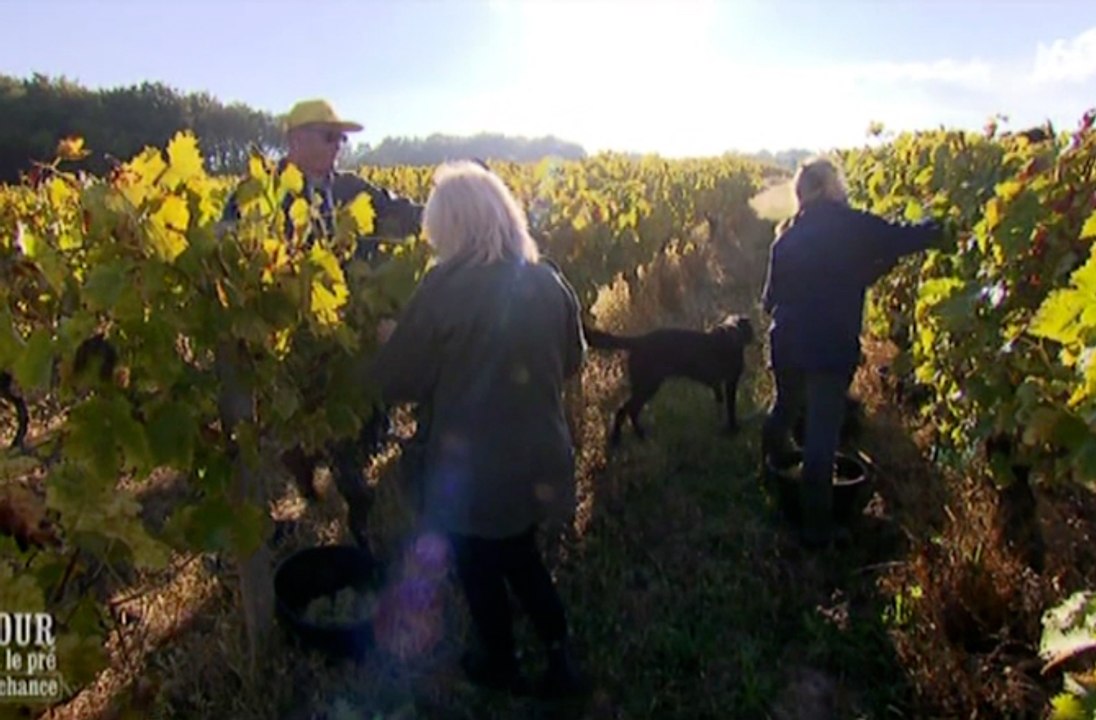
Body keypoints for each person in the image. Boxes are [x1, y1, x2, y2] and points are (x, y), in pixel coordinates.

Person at [370, 161, 589, 698]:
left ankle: (501, 660)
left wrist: (387, 339)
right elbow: (573, 361)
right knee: (521, 552)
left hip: (475, 471)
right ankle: (560, 656)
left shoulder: (443, 287)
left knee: (477, 562)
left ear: (451, 227)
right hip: (541, 457)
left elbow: (397, 380)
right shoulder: (547, 279)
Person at [220, 99, 424, 551]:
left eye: (342, 138)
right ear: (295, 140)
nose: (340, 145)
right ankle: (309, 483)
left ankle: (356, 504)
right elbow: (225, 256)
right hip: (289, 340)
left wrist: (450, 213)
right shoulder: (257, 193)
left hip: (353, 333)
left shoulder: (355, 190)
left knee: (356, 422)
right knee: (296, 426)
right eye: (329, 136)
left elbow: (402, 213)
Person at [760, 156, 941, 549]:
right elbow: (901, 236)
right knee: (823, 435)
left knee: (785, 408)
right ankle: (817, 532)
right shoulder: (850, 224)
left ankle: (772, 474)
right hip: (829, 343)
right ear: (829, 187)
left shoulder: (786, 237)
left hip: (787, 340)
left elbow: (768, 301)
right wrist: (938, 229)